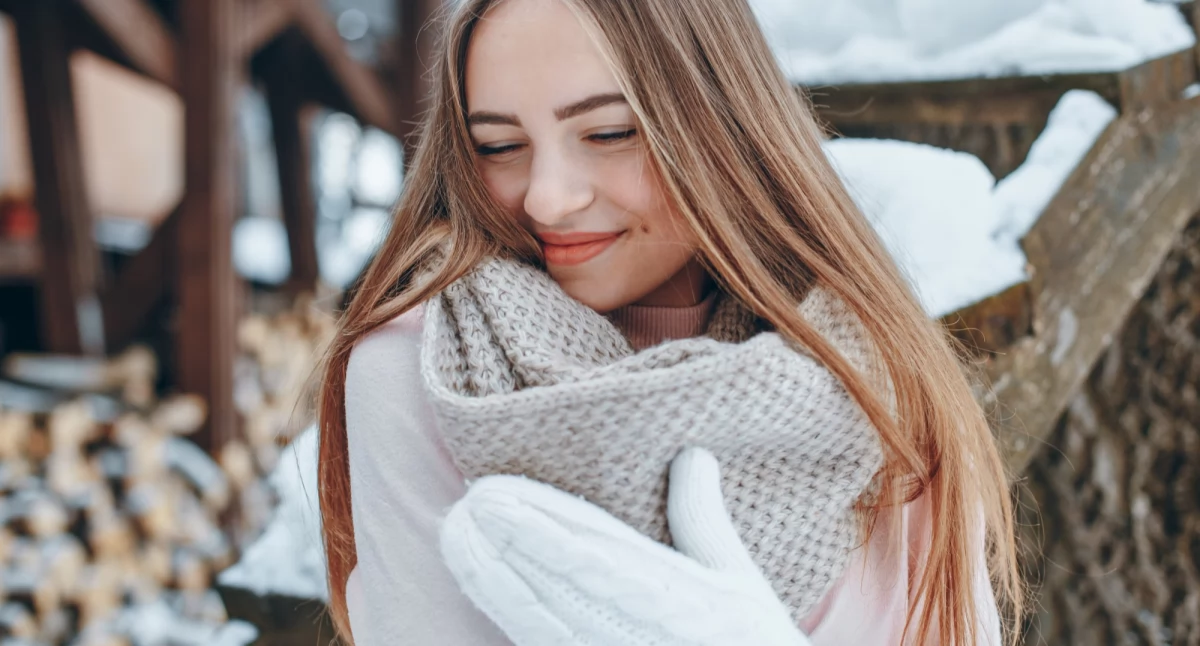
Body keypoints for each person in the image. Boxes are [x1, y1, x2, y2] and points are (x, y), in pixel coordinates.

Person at [316, 0, 1023, 643]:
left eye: (609, 132)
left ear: (720, 120)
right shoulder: (424, 375)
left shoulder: (876, 378)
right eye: (499, 146)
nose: (549, 199)